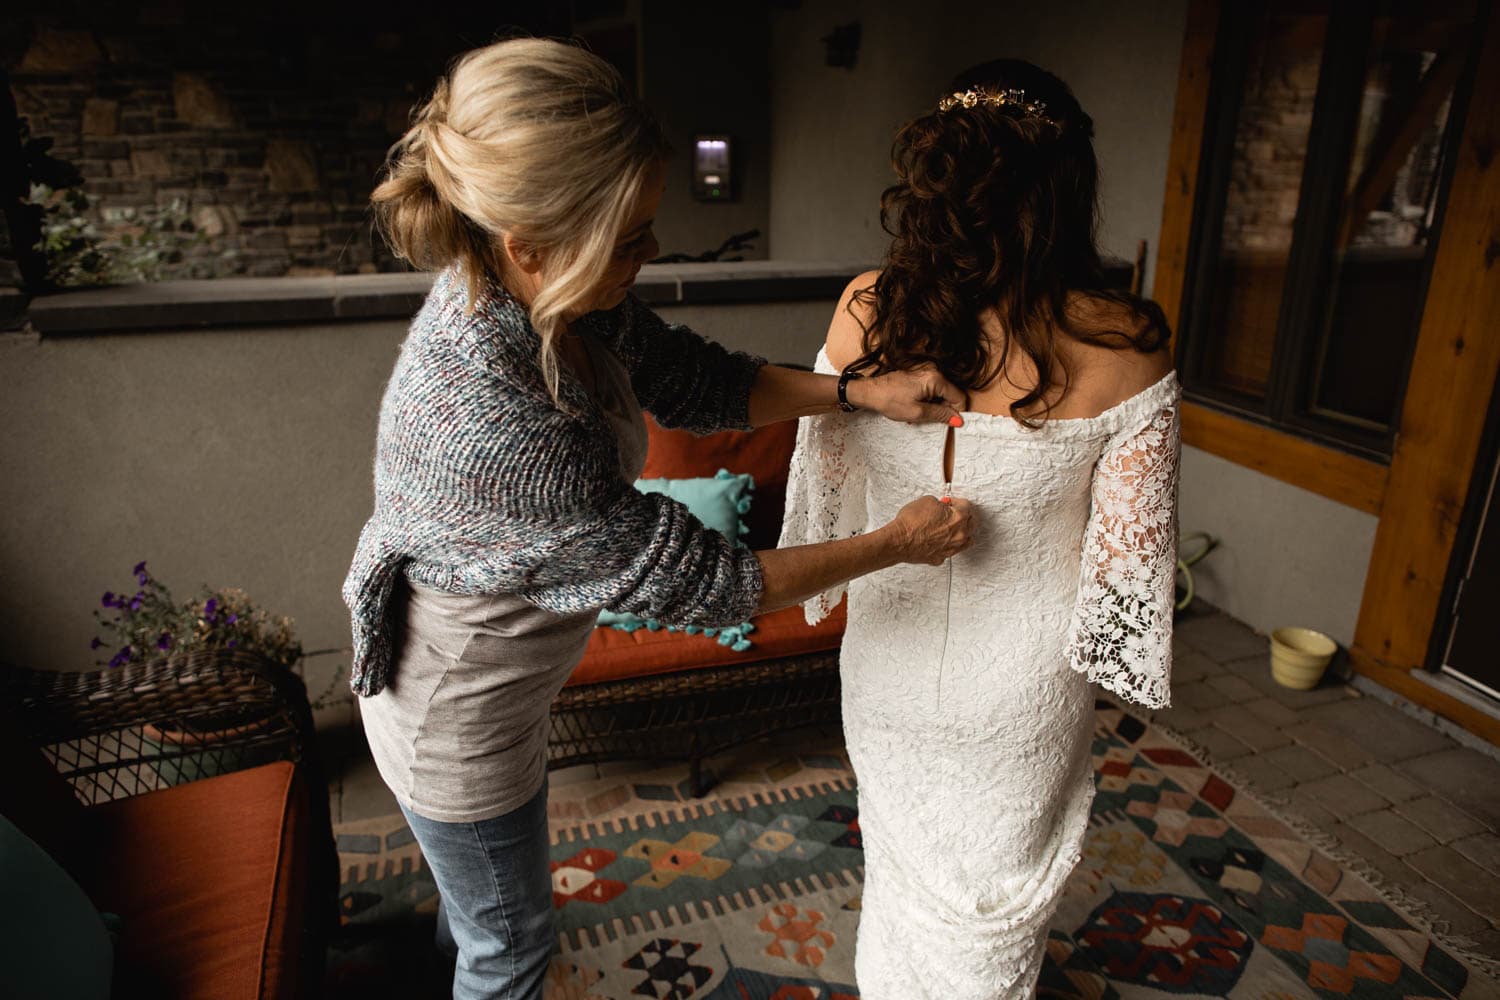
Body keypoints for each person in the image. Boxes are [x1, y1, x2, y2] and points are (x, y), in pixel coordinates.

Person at [341, 37, 976, 1000]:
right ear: (533, 244)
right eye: (629, 237)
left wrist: (860, 391)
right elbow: (713, 584)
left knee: (478, 912)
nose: (648, 255)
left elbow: (696, 378)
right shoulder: (496, 416)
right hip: (456, 715)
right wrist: (898, 544)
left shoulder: (549, 297)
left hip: (488, 674)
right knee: (509, 947)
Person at [780, 59, 1180, 998]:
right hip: (1027, 687)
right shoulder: (1126, 343)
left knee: (899, 871)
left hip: (890, 655)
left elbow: (821, 485)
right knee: (994, 919)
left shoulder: (866, 309)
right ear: (1070, 189)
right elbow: (1127, 559)